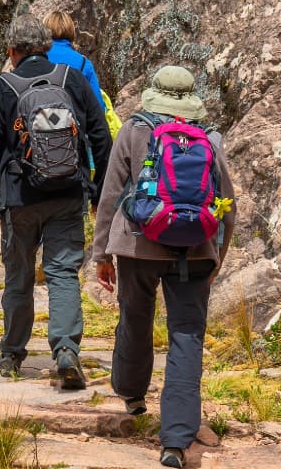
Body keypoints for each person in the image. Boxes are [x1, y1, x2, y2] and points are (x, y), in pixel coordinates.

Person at [92, 66, 237, 469]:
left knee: (135, 318)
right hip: (194, 248)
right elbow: (228, 204)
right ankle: (175, 440)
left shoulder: (134, 130)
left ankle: (133, 394)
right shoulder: (209, 137)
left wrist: (102, 254)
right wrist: (215, 257)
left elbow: (111, 194)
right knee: (187, 335)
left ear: (153, 93)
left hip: (138, 245)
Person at [0, 12, 112, 389]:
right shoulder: (73, 78)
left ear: (11, 51)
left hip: (19, 197)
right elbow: (101, 137)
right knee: (63, 273)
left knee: (19, 277)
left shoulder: (4, 86)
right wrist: (98, 190)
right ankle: (65, 350)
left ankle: (12, 354)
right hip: (68, 192)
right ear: (46, 46)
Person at [44, 11, 123, 139]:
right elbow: (98, 108)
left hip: (40, 132)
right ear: (71, 31)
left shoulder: (37, 60)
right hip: (74, 136)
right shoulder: (83, 63)